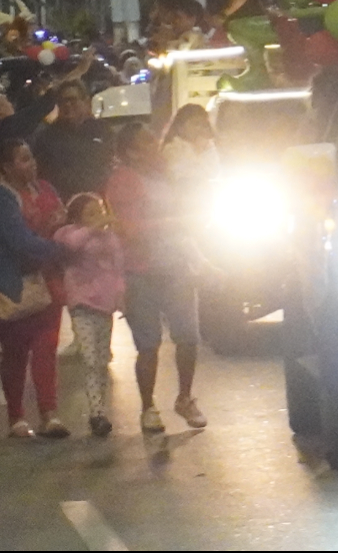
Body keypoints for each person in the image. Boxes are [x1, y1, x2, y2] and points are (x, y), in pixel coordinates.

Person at [105, 123, 206, 434]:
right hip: (141, 271)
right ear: (132, 151)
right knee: (148, 344)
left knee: (188, 336)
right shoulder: (122, 181)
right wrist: (175, 222)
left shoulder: (167, 175)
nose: (156, 144)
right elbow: (129, 228)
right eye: (147, 141)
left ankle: (185, 397)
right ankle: (148, 406)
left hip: (176, 266)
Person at [0, 139, 69, 438]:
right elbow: (19, 241)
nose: (32, 164)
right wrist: (57, 246)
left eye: (31, 158)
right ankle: (16, 417)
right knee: (15, 352)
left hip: (48, 280)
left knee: (45, 348)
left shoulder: (46, 189)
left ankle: (49, 413)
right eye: (23, 159)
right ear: (6, 166)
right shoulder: (5, 198)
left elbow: (62, 222)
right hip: (16, 282)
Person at [55, 193, 124, 437]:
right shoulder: (68, 233)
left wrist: (120, 294)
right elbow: (70, 246)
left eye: (99, 211)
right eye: (90, 213)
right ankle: (96, 414)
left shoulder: (110, 238)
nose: (98, 217)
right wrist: (92, 228)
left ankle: (100, 407)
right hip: (81, 303)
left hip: (104, 305)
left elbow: (118, 268)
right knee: (90, 357)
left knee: (102, 358)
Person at [32, 80, 113, 199]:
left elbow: (111, 161)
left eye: (72, 99)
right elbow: (47, 175)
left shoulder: (102, 129)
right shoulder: (47, 137)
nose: (68, 104)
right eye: (63, 101)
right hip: (68, 201)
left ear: (86, 101)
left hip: (104, 197)